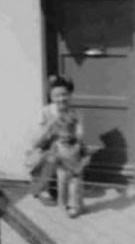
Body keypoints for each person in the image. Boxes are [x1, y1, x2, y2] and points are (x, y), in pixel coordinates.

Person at [26, 75, 90, 218]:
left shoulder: (75, 113)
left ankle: (74, 201)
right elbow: (38, 138)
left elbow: (80, 135)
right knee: (49, 158)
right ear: (51, 96)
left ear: (70, 94)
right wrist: (51, 125)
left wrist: (74, 134)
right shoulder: (46, 111)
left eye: (64, 94)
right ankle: (44, 189)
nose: (61, 99)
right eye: (57, 95)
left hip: (68, 146)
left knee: (75, 165)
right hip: (50, 145)